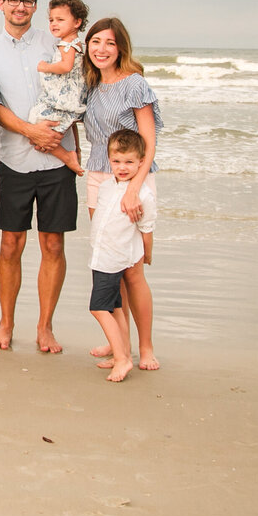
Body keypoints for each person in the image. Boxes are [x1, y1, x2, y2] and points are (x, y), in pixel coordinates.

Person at [0, 0, 77, 354]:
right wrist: (32, 132)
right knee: (10, 245)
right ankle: (6, 324)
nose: (21, 7)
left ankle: (45, 327)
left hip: (58, 159)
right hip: (15, 161)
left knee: (53, 244)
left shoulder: (55, 43)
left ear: (36, 6)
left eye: (29, 1)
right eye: (14, 0)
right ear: (1, 3)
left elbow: (77, 88)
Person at [83, 16, 163, 371]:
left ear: (121, 48)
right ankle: (121, 347)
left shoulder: (134, 84)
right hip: (98, 177)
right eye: (95, 41)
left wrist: (133, 189)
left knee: (133, 272)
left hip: (131, 177)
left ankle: (145, 349)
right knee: (109, 264)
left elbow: (149, 142)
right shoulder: (91, 85)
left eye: (109, 43)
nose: (101, 49)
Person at [87, 130, 157, 383]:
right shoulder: (106, 187)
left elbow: (146, 230)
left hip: (116, 259)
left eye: (129, 162)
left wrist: (147, 254)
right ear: (109, 161)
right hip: (101, 257)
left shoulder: (142, 195)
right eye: (117, 162)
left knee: (98, 308)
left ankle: (123, 359)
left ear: (141, 162)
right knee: (116, 308)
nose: (123, 167)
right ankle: (123, 352)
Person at [30, 0, 90, 176]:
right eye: (51, 20)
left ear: (77, 22)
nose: (54, 24)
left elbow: (65, 66)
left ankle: (67, 157)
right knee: (45, 134)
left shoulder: (67, 45)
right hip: (69, 96)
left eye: (60, 20)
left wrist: (45, 67)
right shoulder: (74, 43)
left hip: (64, 99)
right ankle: (72, 153)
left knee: (35, 125)